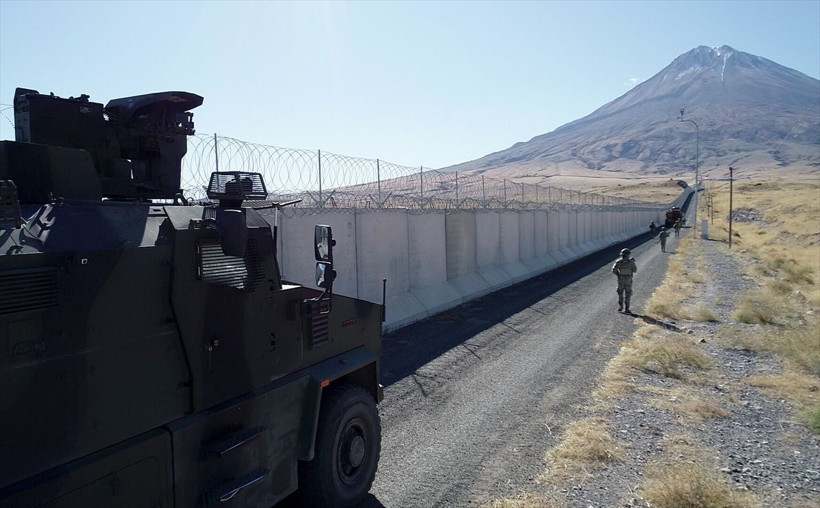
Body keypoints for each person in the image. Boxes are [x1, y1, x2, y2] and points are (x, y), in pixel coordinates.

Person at [612, 248, 637, 313]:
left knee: (620, 293)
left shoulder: (618, 262)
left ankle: (621, 306)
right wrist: (632, 263)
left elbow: (614, 270)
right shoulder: (631, 262)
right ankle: (627, 308)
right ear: (628, 255)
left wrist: (619, 275)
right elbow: (635, 270)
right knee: (628, 294)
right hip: (628, 280)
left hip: (620, 280)